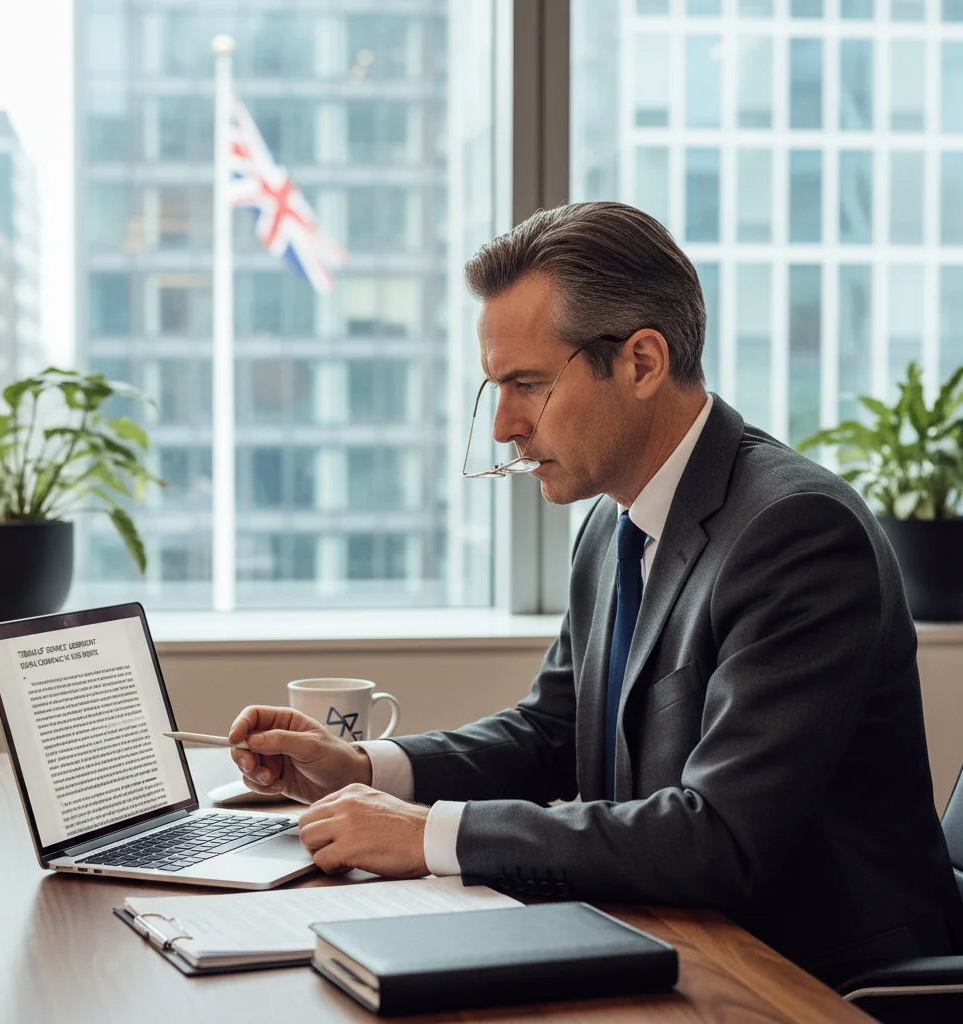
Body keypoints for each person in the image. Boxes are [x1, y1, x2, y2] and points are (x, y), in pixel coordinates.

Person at [229, 202, 963, 985]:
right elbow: (552, 731)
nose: (505, 424)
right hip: (663, 940)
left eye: (528, 384)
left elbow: (719, 838)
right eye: (496, 388)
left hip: (805, 981)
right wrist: (367, 769)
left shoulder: (797, 534)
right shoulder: (614, 526)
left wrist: (429, 833)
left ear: (642, 363)